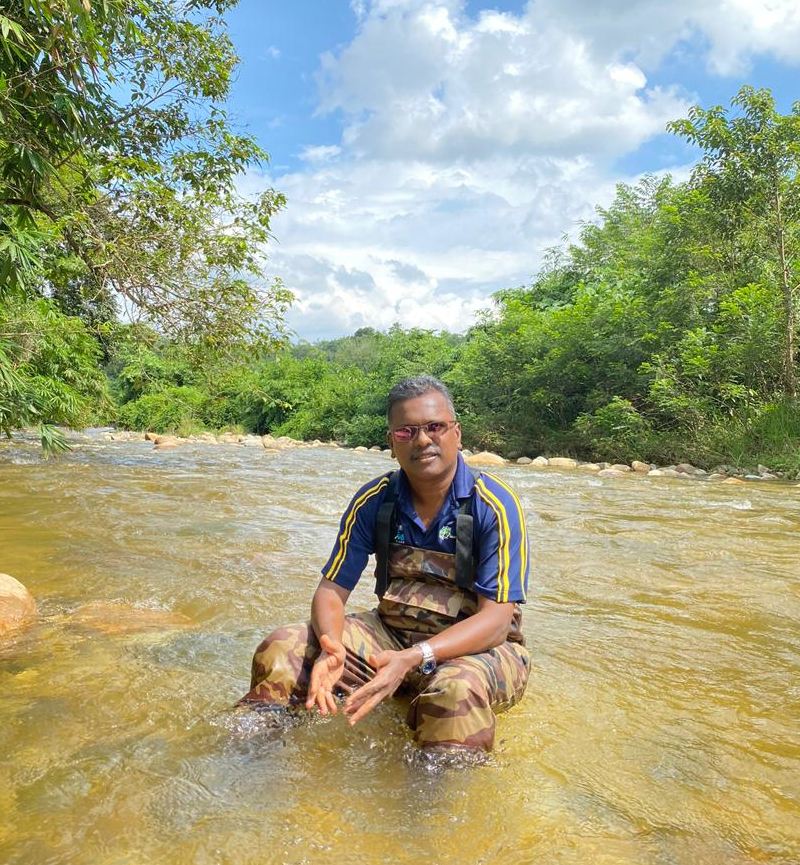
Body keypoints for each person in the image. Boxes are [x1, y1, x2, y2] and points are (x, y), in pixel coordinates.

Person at [239, 375, 530, 753]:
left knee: (455, 692)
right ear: (392, 443)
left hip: (475, 652)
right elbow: (331, 591)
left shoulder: (493, 505)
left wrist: (415, 658)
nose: (423, 440)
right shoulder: (375, 501)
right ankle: (253, 762)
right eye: (407, 432)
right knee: (282, 647)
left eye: (435, 427)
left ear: (457, 434)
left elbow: (495, 623)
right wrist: (331, 648)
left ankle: (432, 802)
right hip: (390, 637)